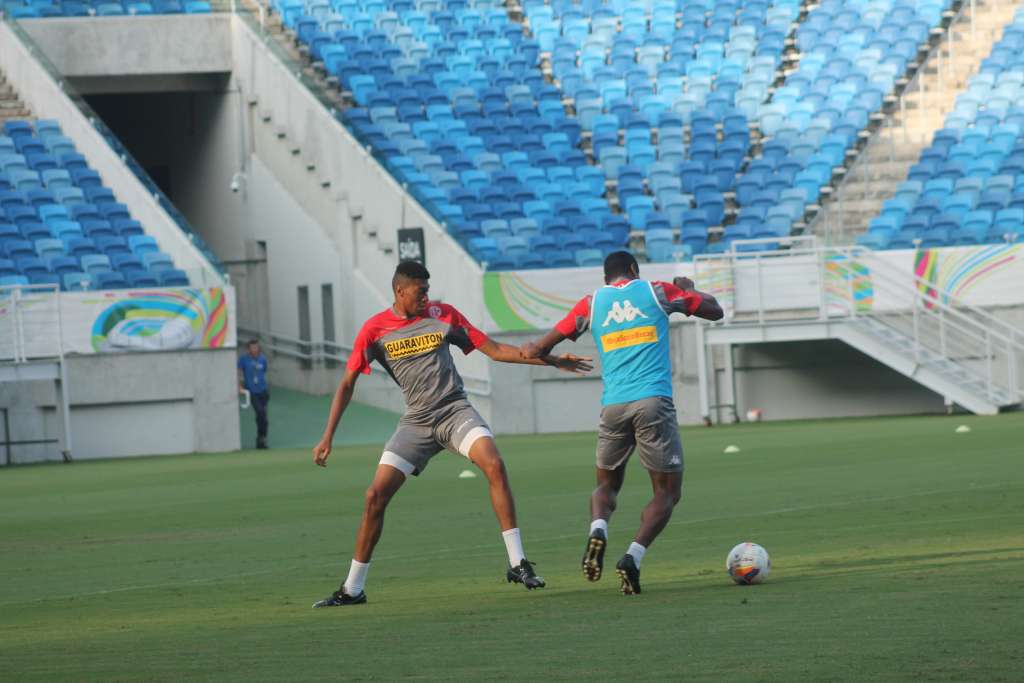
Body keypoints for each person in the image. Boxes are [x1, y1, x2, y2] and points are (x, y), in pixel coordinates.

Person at [311, 261, 592, 608]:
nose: (426, 297)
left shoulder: (444, 315)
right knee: (374, 497)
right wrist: (327, 438)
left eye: (428, 290)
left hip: (454, 410)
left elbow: (495, 350)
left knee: (494, 464)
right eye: (420, 291)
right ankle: (352, 589)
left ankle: (518, 563)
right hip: (416, 422)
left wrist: (550, 360)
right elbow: (346, 384)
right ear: (400, 291)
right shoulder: (374, 330)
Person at [521, 251, 723, 595]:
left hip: (613, 407)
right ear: (633, 270)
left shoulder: (591, 303)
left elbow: (536, 349)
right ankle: (633, 555)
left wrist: (549, 356)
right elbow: (714, 311)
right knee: (667, 492)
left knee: (607, 485)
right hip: (652, 402)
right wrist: (691, 289)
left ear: (606, 279)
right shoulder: (657, 291)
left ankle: (598, 528)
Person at [238, 339, 270, 449]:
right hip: (252, 392)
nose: (254, 349)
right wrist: (241, 386)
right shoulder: (244, 360)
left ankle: (262, 438)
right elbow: (240, 373)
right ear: (249, 349)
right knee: (260, 412)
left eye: (256, 347)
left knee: (263, 418)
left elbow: (264, 371)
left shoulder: (262, 359)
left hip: (263, 391)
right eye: (252, 347)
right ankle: (260, 438)